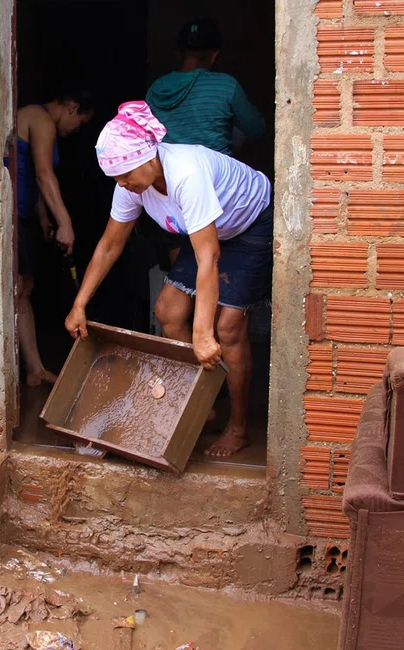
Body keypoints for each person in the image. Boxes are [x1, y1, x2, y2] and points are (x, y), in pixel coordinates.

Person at [65, 102, 271, 457]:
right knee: (168, 311)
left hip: (251, 223)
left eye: (125, 174)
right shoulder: (131, 185)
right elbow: (111, 244)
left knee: (228, 328)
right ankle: (205, 399)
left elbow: (209, 257)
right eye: (115, 177)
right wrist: (79, 303)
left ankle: (237, 428)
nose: (121, 183)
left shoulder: (186, 174)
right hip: (209, 230)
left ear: (149, 157)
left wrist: (203, 333)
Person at [11, 87, 95, 386]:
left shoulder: (37, 121)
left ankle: (34, 370)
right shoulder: (41, 118)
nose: (76, 130)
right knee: (17, 288)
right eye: (81, 122)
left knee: (24, 288)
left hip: (21, 213)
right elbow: (43, 174)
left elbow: (28, 172)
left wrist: (44, 216)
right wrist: (65, 222)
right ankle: (13, 377)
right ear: (72, 108)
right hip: (8, 214)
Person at [146, 18, 266, 157]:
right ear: (214, 55)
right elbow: (256, 130)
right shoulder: (226, 85)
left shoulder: (156, 88)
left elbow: (146, 138)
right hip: (215, 174)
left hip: (169, 173)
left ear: (178, 54)